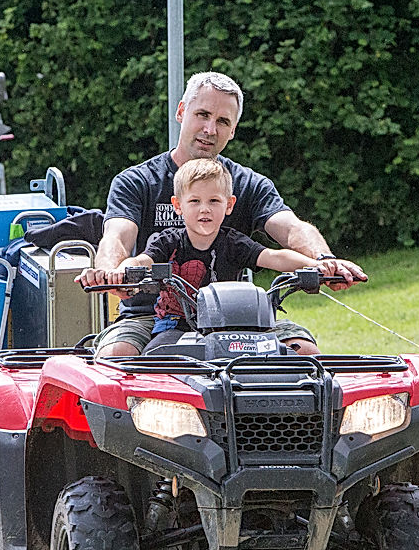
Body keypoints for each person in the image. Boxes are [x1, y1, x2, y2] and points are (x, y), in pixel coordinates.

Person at [76, 71, 367, 357]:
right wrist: (109, 271)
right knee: (117, 354)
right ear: (181, 112)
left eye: (222, 121)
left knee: (303, 353)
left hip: (236, 317)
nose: (210, 129)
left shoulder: (248, 183)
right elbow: (117, 235)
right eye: (202, 114)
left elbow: (290, 228)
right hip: (149, 316)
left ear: (233, 130)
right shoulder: (137, 181)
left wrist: (324, 262)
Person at [86, 158, 338, 353]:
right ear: (178, 206)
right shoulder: (167, 240)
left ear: (229, 205)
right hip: (175, 323)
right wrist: (123, 270)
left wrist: (319, 266)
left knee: (294, 354)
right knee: (157, 358)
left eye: (214, 201)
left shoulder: (234, 242)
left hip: (233, 325)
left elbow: (275, 257)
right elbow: (141, 260)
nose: (204, 209)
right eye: (194, 201)